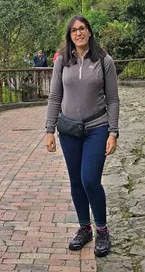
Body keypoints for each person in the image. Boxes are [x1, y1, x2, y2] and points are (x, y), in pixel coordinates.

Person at [45, 15, 120, 257]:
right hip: (69, 130)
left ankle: (102, 230)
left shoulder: (104, 60)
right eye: (74, 30)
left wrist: (113, 131)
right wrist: (49, 130)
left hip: (97, 128)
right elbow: (55, 97)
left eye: (82, 29)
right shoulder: (62, 62)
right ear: (69, 35)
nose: (78, 33)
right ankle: (84, 228)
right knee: (76, 182)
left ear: (89, 32)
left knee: (90, 180)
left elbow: (113, 100)